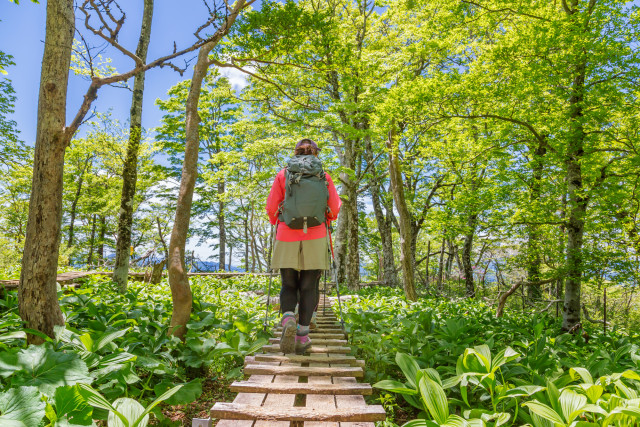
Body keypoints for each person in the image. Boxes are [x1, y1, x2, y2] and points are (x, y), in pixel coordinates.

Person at [266, 138, 341, 354]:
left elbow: (272, 207)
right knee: (309, 286)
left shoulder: (283, 174)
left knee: (288, 283)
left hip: (286, 232)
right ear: (315, 154)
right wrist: (325, 217)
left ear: (295, 153)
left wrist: (277, 222)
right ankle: (302, 336)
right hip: (316, 234)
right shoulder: (324, 176)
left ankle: (288, 317)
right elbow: (334, 209)